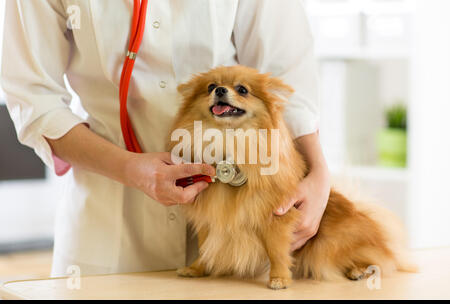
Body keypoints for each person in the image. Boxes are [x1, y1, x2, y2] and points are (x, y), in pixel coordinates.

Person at [1, 0, 330, 276]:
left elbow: (286, 79)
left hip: (239, 226)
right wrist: (129, 169)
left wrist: (317, 173)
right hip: (109, 230)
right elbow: (34, 99)